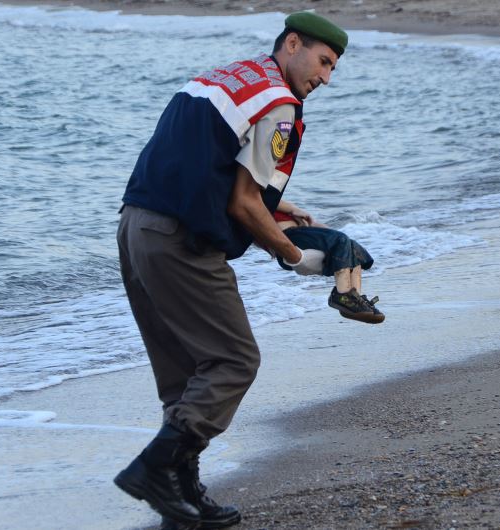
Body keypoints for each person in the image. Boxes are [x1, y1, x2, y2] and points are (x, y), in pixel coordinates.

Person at [113, 12, 349, 529]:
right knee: (233, 361)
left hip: (136, 227)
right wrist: (294, 256)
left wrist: (281, 210)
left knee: (183, 375)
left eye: (333, 69)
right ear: (292, 43)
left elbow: (203, 161)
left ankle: (181, 502)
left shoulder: (227, 76)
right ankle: (154, 470)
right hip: (181, 241)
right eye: (324, 62)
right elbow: (243, 205)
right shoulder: (280, 105)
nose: (325, 79)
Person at [272, 199, 385, 324]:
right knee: (341, 239)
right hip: (287, 236)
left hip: (302, 233)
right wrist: (293, 209)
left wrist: (338, 240)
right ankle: (342, 296)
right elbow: (268, 197)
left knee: (351, 245)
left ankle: (354, 299)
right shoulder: (261, 200)